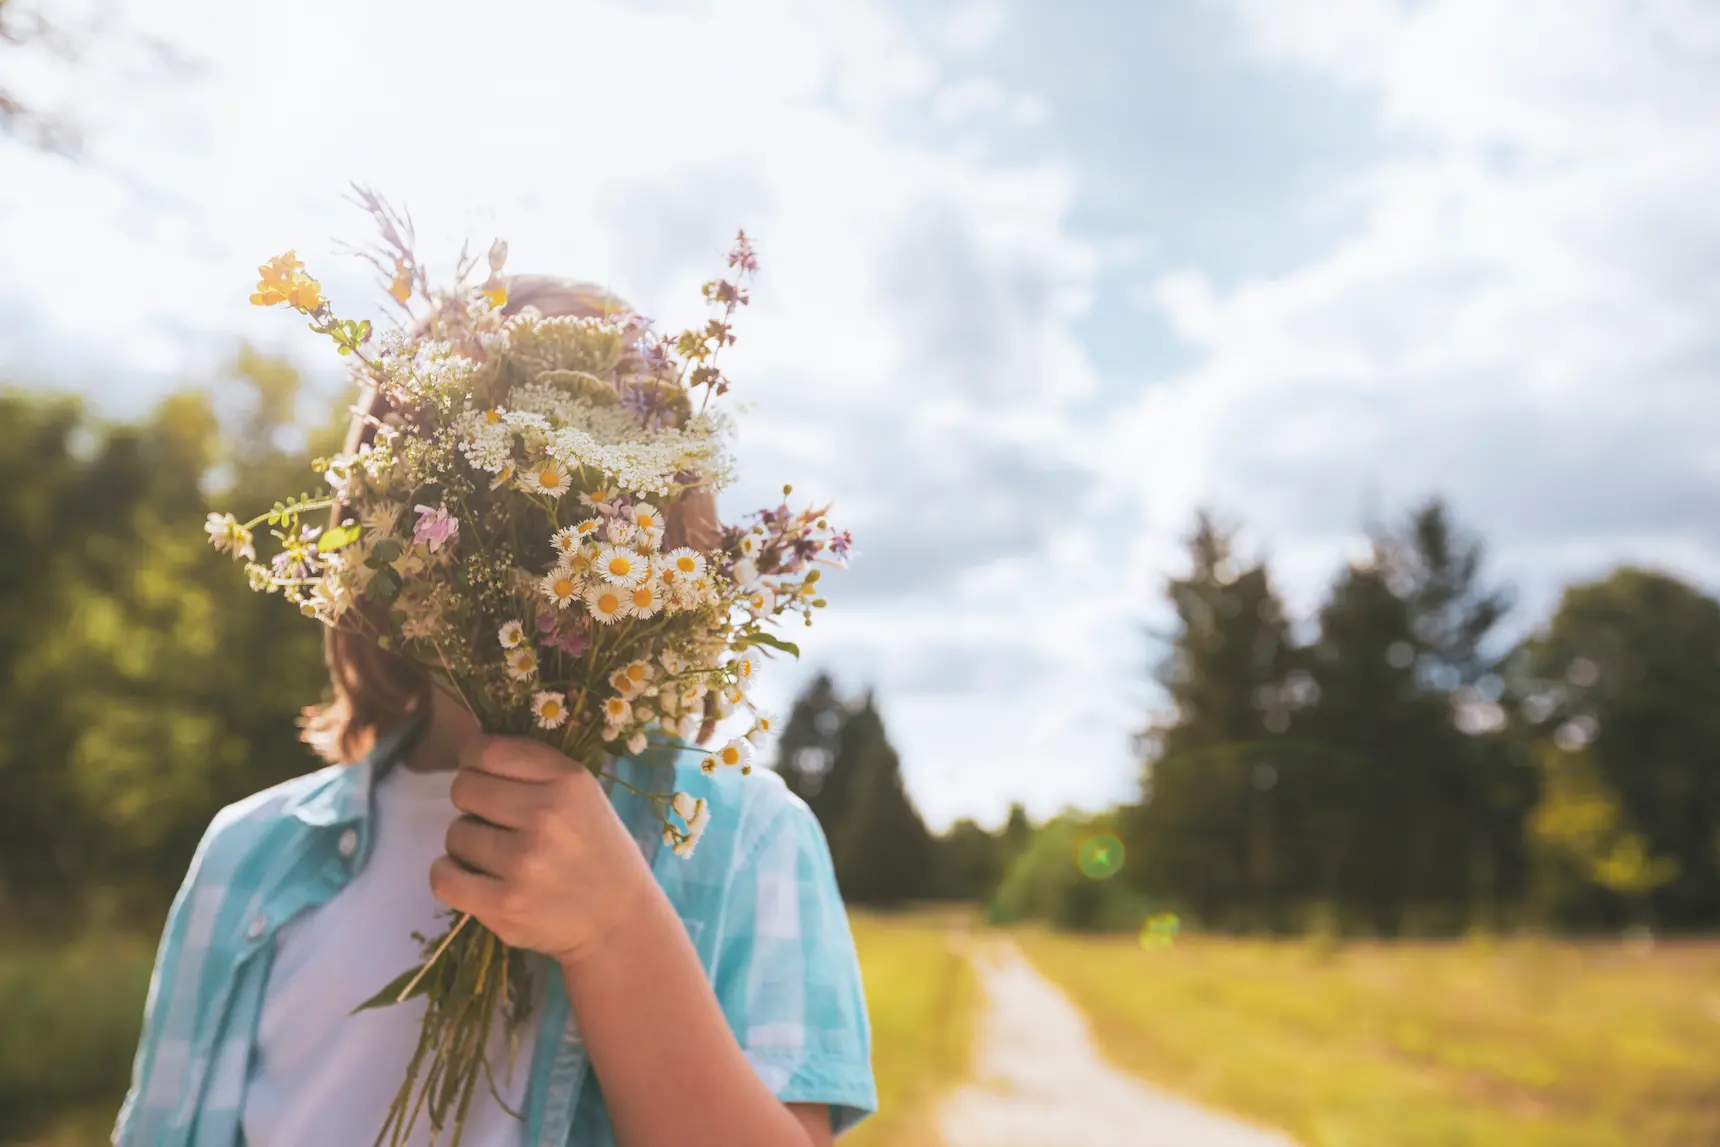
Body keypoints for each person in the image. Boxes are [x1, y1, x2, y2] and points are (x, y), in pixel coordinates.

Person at [113, 278, 877, 1147]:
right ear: (373, 531)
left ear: (666, 542)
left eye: (588, 498)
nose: (528, 540)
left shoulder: (742, 837)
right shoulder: (248, 857)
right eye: (466, 486)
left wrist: (616, 929)